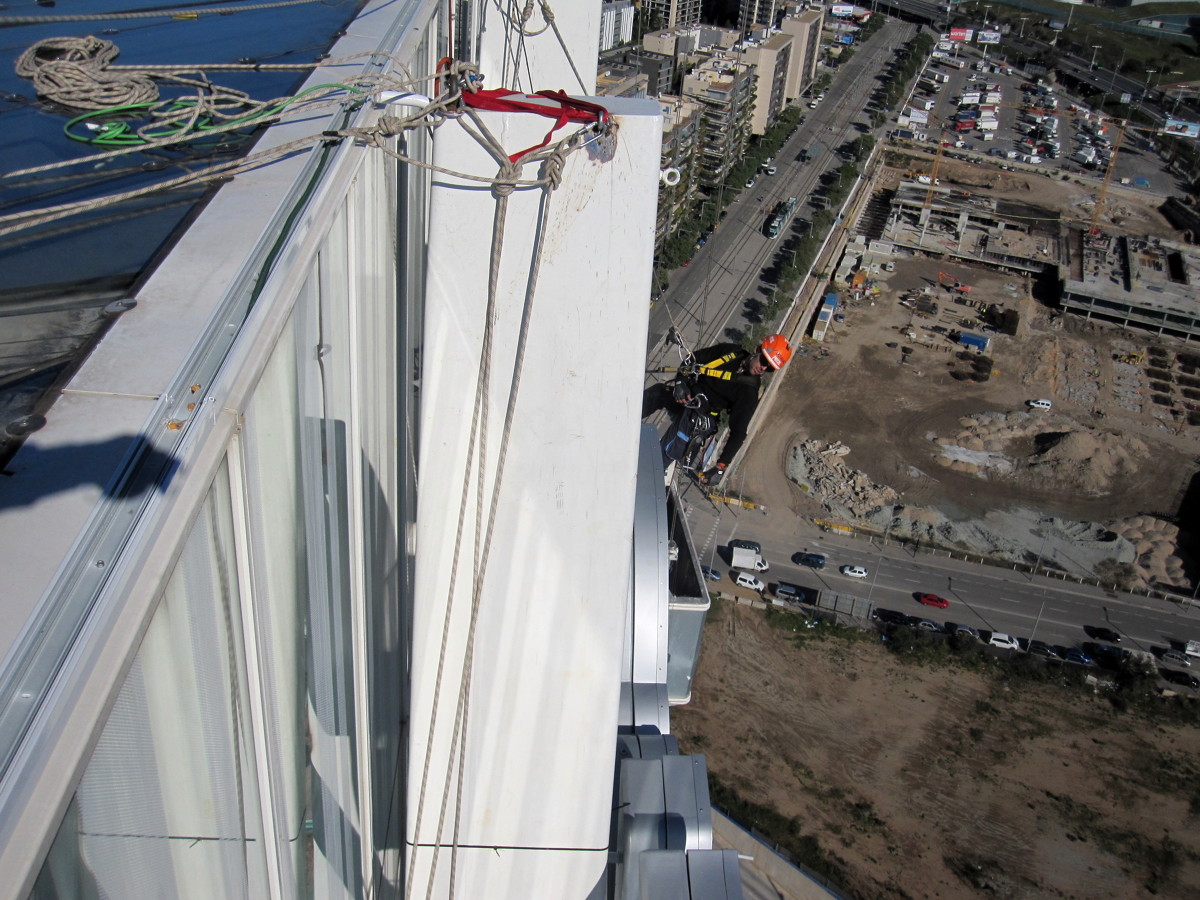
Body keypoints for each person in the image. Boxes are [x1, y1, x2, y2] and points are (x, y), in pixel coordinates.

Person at [642, 333, 792, 484]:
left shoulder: (748, 392)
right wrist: (681, 382)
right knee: (658, 393)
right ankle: (622, 418)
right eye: (764, 361)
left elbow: (739, 432)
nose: (763, 368)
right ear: (757, 349)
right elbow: (692, 359)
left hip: (701, 416)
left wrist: (720, 466)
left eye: (770, 368)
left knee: (676, 441)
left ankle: (648, 475)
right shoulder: (730, 352)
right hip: (687, 396)